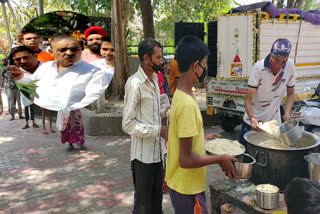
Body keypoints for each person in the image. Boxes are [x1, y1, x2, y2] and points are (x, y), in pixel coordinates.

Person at [165, 35, 238, 214]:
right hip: (187, 188)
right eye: (203, 64)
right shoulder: (187, 105)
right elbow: (186, 159)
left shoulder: (180, 97)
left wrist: (201, 140)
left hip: (180, 183)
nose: (204, 69)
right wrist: (219, 159)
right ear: (195, 65)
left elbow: (180, 138)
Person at [12, 36, 113, 151]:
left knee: (77, 127)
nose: (69, 53)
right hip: (60, 109)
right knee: (64, 128)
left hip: (74, 110)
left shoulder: (93, 71)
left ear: (81, 50)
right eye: (63, 50)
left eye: (74, 49)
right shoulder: (44, 70)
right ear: (51, 52)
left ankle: (80, 143)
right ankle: (69, 143)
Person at [122, 38, 169, 214]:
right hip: (142, 159)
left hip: (157, 155)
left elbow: (156, 110)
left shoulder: (155, 79)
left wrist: (168, 111)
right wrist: (159, 130)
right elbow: (127, 124)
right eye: (158, 57)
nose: (161, 61)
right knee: (143, 206)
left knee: (157, 204)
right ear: (146, 59)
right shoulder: (135, 84)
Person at [239, 38, 295, 148]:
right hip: (253, 120)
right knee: (245, 154)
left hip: (273, 122)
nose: (280, 65)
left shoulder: (290, 66)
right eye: (277, 60)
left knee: (272, 155)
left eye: (283, 62)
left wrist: (287, 111)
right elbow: (248, 99)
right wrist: (252, 118)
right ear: (271, 55)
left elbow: (291, 93)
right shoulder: (259, 69)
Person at [18, 31, 55, 134]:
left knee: (49, 110)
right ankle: (31, 123)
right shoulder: (18, 58)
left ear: (39, 40)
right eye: (28, 38)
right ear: (22, 41)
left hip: (45, 90)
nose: (32, 40)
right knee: (28, 106)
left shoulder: (49, 56)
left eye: (34, 38)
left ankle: (50, 127)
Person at [10, 46, 40, 129]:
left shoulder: (44, 69)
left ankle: (33, 122)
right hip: (24, 95)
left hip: (32, 94)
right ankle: (27, 123)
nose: (22, 61)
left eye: (25, 57)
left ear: (35, 56)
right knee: (26, 109)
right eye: (18, 59)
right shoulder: (15, 73)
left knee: (32, 109)